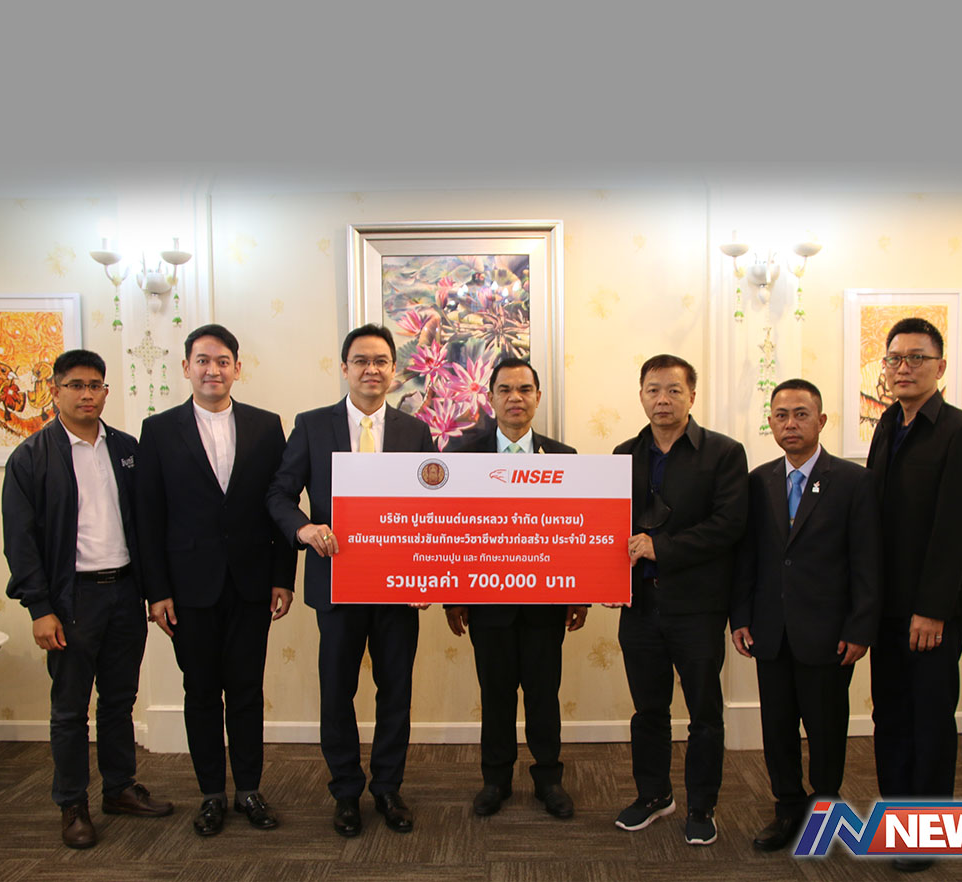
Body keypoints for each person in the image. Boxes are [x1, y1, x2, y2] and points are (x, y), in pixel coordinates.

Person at [267, 324, 435, 837]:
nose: (371, 369)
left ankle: (387, 787)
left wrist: (428, 574)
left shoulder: (415, 432)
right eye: (361, 360)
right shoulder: (312, 425)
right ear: (344, 368)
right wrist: (304, 528)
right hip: (337, 583)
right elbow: (278, 494)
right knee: (337, 691)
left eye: (381, 361)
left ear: (394, 370)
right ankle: (345, 791)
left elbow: (434, 510)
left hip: (399, 587)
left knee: (396, 691)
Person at [2, 349, 172, 849]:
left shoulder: (126, 449)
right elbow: (20, 542)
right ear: (55, 391)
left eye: (95, 385)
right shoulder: (31, 457)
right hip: (71, 599)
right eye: (75, 385)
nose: (86, 395)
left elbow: (148, 524)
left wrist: (154, 592)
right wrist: (40, 608)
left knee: (119, 701)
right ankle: (72, 803)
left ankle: (119, 788)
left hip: (124, 592)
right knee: (70, 709)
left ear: (105, 391)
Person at [137, 324, 297, 837]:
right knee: (201, 691)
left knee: (247, 691)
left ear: (237, 368)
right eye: (203, 360)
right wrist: (157, 591)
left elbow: (281, 505)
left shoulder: (266, 426)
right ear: (186, 367)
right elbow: (148, 517)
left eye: (223, 360)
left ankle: (249, 789)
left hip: (253, 584)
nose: (213, 369)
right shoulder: (158, 430)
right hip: (188, 588)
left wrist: (283, 577)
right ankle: (211, 794)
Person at [731, 379, 882, 852]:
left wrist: (861, 627)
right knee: (777, 729)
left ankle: (825, 809)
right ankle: (787, 809)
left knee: (826, 729)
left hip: (829, 634)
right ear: (771, 423)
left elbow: (868, 562)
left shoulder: (854, 481)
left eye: (801, 414)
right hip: (770, 631)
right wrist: (740, 617)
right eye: (781, 415)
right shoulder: (758, 481)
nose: (790, 423)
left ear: (822, 421)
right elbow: (747, 557)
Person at [866, 318, 962, 873]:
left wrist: (932, 609)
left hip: (930, 612)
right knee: (890, 715)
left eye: (917, 358)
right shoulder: (887, 424)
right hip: (886, 607)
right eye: (895, 359)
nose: (904, 368)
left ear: (940, 366)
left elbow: (956, 528)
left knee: (930, 720)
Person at [611, 354, 747, 846]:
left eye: (673, 390)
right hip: (639, 608)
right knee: (648, 710)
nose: (662, 399)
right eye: (653, 390)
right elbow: (607, 528)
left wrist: (659, 547)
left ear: (692, 395)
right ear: (641, 396)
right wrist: (604, 579)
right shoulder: (623, 455)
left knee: (704, 714)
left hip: (697, 609)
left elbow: (728, 526)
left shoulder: (724, 453)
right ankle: (654, 794)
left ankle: (702, 806)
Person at [445, 357, 588, 819]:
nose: (515, 398)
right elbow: (451, 532)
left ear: (537, 397)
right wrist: (453, 598)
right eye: (505, 389)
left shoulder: (564, 458)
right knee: (496, 696)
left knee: (544, 695)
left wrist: (580, 593)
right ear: (490, 398)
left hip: (546, 605)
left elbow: (577, 530)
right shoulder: (463, 456)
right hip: (487, 605)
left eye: (524, 389)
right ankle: (496, 780)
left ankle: (549, 779)